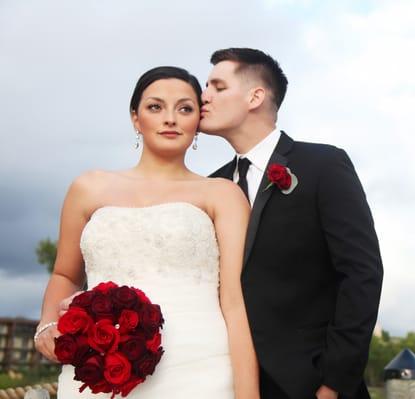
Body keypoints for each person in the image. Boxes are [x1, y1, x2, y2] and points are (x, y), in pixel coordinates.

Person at [34, 66, 259, 399]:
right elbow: (65, 273)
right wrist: (47, 324)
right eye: (156, 107)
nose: (170, 118)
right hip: (99, 370)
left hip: (202, 369)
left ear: (198, 122)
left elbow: (235, 303)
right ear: (135, 118)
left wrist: (248, 393)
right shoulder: (88, 188)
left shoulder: (222, 194)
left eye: (185, 108)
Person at [202, 48, 384, 399]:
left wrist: (333, 383)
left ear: (256, 96)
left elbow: (361, 273)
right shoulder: (211, 186)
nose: (203, 96)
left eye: (217, 86)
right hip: (228, 381)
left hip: (310, 384)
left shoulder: (323, 165)